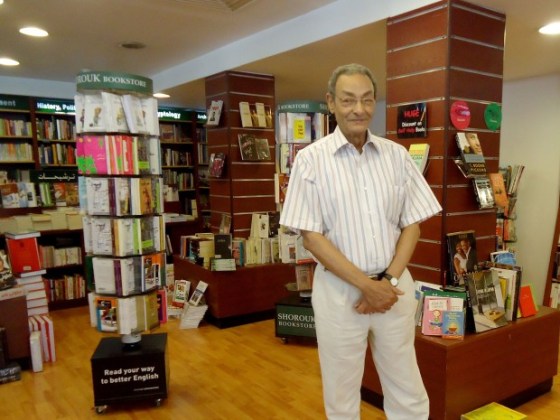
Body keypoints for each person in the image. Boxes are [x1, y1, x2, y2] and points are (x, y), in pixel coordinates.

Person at [280, 63, 442, 419]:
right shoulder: (310, 160)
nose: (359, 109)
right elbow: (311, 238)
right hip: (339, 293)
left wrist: (387, 282)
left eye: (367, 100)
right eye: (348, 100)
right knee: (341, 393)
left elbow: (412, 225)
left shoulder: (396, 156)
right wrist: (367, 287)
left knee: (407, 387)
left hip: (394, 289)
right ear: (331, 102)